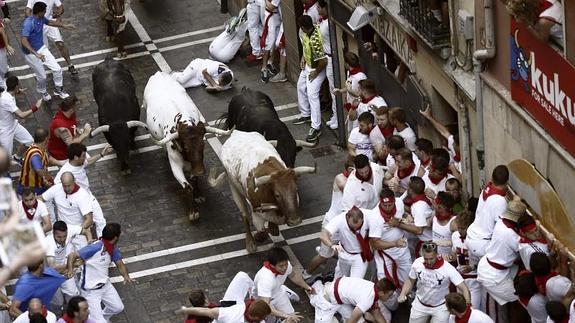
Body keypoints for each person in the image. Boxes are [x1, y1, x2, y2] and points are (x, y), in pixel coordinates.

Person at [66, 223, 134, 322]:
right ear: (115, 237)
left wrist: (126, 276)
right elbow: (72, 255)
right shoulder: (94, 248)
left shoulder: (111, 248)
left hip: (106, 286)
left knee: (118, 307)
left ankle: (101, 318)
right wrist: (70, 270)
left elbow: (120, 264)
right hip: (91, 291)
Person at [398, 241, 471, 323]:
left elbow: (464, 288)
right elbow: (410, 280)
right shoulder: (417, 263)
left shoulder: (448, 268)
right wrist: (402, 294)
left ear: (437, 255)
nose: (428, 262)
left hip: (441, 307)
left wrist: (467, 306)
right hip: (420, 304)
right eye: (426, 259)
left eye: (431, 258)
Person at [477, 200, 525, 321]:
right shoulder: (512, 236)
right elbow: (523, 252)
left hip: (488, 265)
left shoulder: (500, 222)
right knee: (519, 302)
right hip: (494, 275)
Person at [53, 143, 111, 237]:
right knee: (84, 223)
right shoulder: (65, 171)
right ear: (76, 157)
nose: (85, 158)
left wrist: (102, 154)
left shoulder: (80, 163)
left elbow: (88, 161)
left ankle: (102, 244)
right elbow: (56, 185)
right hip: (78, 201)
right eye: (83, 156)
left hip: (89, 196)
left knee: (100, 221)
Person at [20, 2, 74, 101]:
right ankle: (43, 91)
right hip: (31, 54)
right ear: (39, 12)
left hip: (42, 48)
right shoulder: (29, 23)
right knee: (42, 77)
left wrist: (64, 25)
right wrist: (36, 54)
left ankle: (59, 90)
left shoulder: (41, 18)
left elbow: (50, 22)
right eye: (44, 11)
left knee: (57, 69)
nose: (46, 13)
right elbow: (23, 40)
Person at [252, 247, 310, 322]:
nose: (285, 268)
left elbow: (293, 276)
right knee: (273, 319)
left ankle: (283, 289)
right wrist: (286, 316)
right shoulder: (265, 279)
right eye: (281, 266)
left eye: (285, 264)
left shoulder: (286, 264)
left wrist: (307, 287)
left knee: (292, 319)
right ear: (272, 265)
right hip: (262, 301)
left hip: (277, 291)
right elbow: (265, 306)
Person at [293, 15, 326, 143]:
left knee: (312, 95)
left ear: (302, 27)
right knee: (300, 87)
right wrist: (303, 58)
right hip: (308, 65)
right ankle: (305, 114)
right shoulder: (307, 32)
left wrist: (316, 73)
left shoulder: (315, 40)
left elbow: (323, 61)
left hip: (316, 69)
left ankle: (316, 127)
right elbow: (305, 47)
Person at [368, 188, 411, 287]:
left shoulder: (399, 203)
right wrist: (394, 244)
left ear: (394, 201)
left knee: (407, 277)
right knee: (385, 283)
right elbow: (374, 243)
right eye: (384, 205)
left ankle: (405, 298)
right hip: (385, 253)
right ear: (380, 201)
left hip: (402, 248)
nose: (387, 208)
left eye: (390, 205)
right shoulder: (375, 217)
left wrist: (406, 216)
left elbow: (401, 213)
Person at [466, 165, 509, 261]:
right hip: (482, 244)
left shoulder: (486, 190)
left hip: (471, 237)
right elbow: (500, 229)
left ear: (492, 179)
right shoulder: (500, 201)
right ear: (507, 182)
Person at [40, 172, 94, 248]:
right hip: (62, 234)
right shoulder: (56, 189)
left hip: (79, 235)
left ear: (74, 181)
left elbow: (89, 220)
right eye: (64, 186)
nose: (67, 188)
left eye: (69, 185)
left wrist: (75, 231)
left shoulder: (82, 195)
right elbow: (41, 198)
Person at [25, 0, 77, 75]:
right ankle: (51, 67)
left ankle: (70, 65)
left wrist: (58, 13)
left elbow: (60, 7)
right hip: (39, 26)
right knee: (44, 49)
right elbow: (27, 10)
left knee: (60, 44)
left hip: (50, 22)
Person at [45, 221, 89, 307]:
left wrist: (89, 240)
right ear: (53, 233)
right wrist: (73, 265)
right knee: (58, 302)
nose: (62, 239)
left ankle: (71, 311)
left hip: (64, 267)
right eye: (59, 237)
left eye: (64, 236)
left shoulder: (70, 229)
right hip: (50, 274)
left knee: (72, 293)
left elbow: (86, 231)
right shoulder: (48, 244)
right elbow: (52, 268)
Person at [321, 206, 373, 278]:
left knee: (355, 283)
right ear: (347, 218)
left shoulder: (370, 215)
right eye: (352, 227)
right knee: (340, 280)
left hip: (361, 256)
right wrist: (332, 245)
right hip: (344, 253)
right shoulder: (339, 219)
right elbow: (323, 235)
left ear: (363, 219)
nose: (355, 229)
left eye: (358, 227)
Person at [314, 277, 394, 323]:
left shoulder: (373, 287)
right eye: (389, 295)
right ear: (381, 293)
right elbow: (353, 318)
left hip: (340, 298)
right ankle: (316, 292)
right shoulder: (368, 299)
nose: (389, 298)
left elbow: (376, 313)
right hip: (328, 299)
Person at [0, 76, 42, 157]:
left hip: (13, 125)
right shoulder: (7, 101)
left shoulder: (7, 89)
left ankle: (17, 157)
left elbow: (12, 92)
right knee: (5, 157)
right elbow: (21, 115)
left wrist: (18, 91)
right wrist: (36, 107)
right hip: (5, 130)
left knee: (29, 141)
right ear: (16, 86)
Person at [451, 211, 483, 310]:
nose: (459, 231)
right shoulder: (455, 236)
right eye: (458, 227)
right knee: (459, 309)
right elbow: (454, 252)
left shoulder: (479, 241)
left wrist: (472, 267)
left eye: (463, 228)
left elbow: (484, 262)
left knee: (474, 310)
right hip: (460, 279)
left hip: (474, 280)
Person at [47, 96, 91, 162]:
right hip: (63, 156)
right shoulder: (61, 127)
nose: (77, 107)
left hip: (74, 150)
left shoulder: (70, 114)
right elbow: (71, 145)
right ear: (71, 109)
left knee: (88, 161)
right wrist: (85, 134)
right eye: (76, 106)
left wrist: (77, 130)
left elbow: (72, 126)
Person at [420, 104, 462, 173]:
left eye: (455, 144)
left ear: (459, 146)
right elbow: (444, 131)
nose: (452, 144)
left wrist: (452, 168)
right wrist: (429, 117)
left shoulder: (465, 163)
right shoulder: (454, 144)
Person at [17, 128, 58, 196]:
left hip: (38, 185)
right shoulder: (35, 153)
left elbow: (47, 158)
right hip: (30, 189)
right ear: (46, 139)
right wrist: (47, 179)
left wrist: (62, 163)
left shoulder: (40, 149)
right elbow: (38, 170)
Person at [395, 177, 433, 250]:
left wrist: (398, 224)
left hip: (428, 241)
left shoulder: (419, 206)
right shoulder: (419, 200)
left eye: (408, 187)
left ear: (410, 190)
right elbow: (411, 210)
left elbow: (419, 230)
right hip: (423, 239)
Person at [333, 52, 366, 131]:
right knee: (350, 130)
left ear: (347, 64)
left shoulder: (361, 77)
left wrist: (348, 90)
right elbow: (348, 87)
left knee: (355, 131)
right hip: (351, 107)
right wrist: (340, 91)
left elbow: (362, 95)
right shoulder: (350, 73)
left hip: (358, 110)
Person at [176, 299, 271, 323]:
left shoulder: (250, 307)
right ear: (255, 317)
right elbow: (204, 311)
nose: (265, 318)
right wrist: (186, 310)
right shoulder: (229, 315)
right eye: (263, 317)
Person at [259, 0, 282, 82]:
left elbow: (272, 6)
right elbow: (271, 7)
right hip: (271, 15)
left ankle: (270, 61)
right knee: (269, 41)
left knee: (277, 42)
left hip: (279, 16)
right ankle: (264, 67)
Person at [432, 191, 457, 261]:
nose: (436, 208)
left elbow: (462, 242)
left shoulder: (454, 223)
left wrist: (449, 243)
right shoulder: (434, 216)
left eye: (439, 207)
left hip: (449, 261)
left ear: (448, 209)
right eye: (436, 205)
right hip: (434, 259)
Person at [0, 18, 14, 89]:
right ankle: (3, 85)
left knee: (3, 69)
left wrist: (7, 45)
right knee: (2, 70)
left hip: (1, 47)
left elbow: (3, 32)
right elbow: (2, 32)